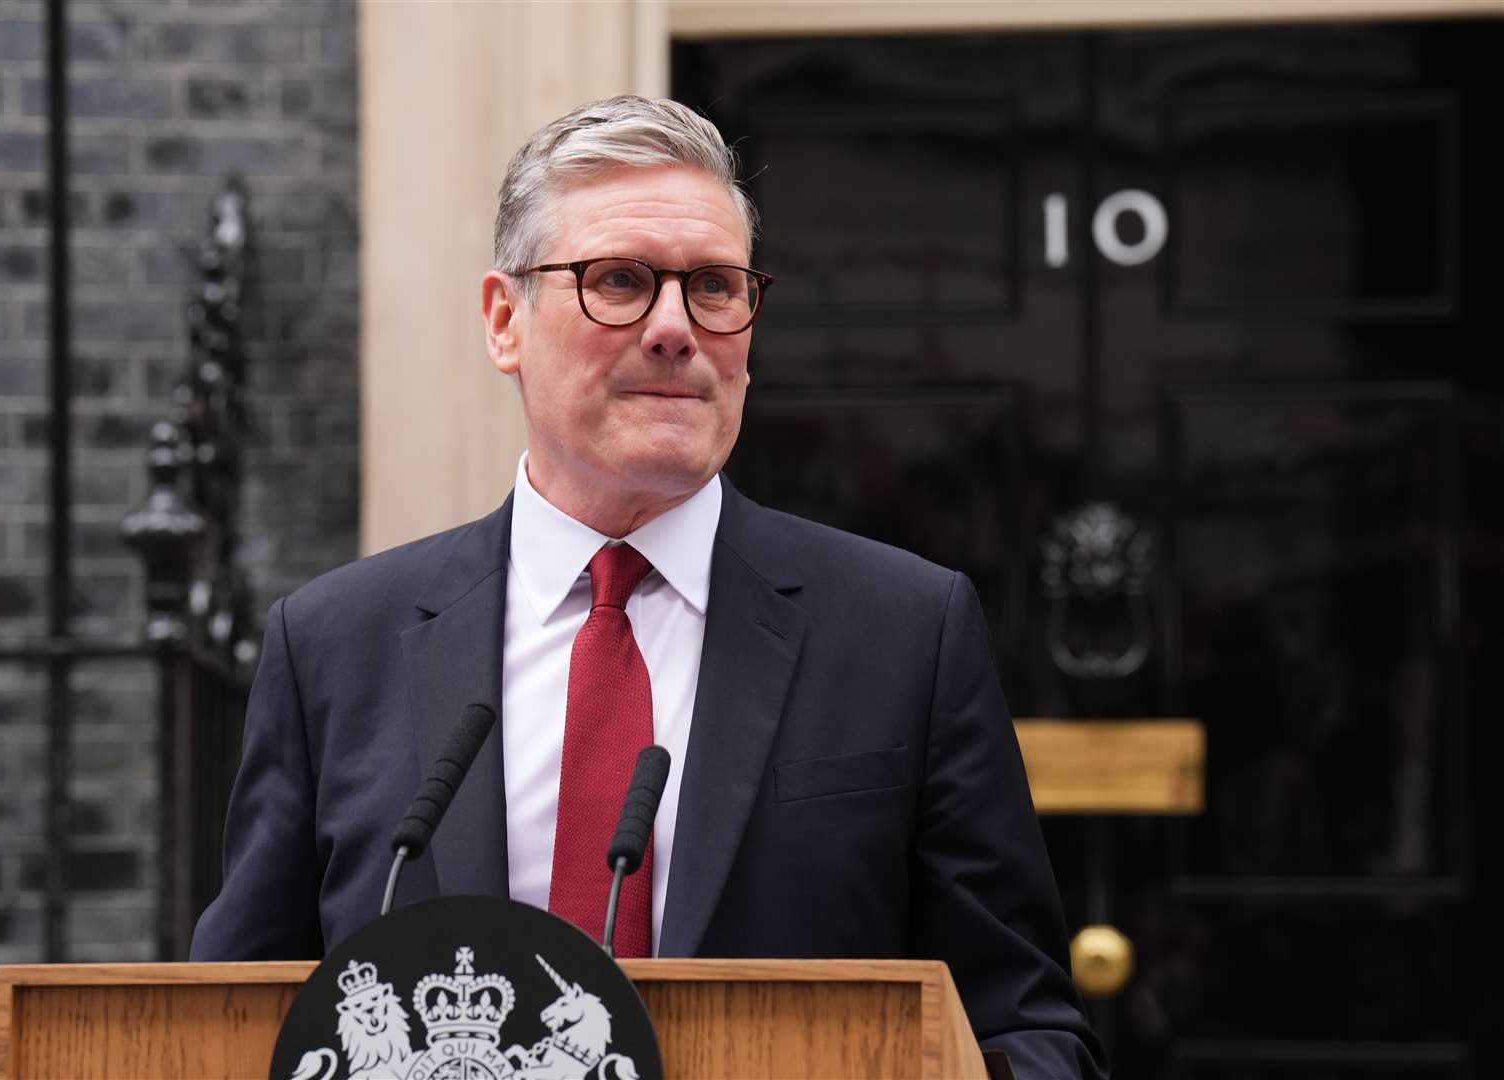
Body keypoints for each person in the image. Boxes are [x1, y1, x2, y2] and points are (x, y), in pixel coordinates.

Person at [191, 95, 1105, 1077]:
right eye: (618, 281)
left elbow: (1025, 1029)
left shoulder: (904, 634)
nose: (675, 328)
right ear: (506, 320)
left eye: (713, 286)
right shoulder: (334, 645)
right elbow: (234, 1026)